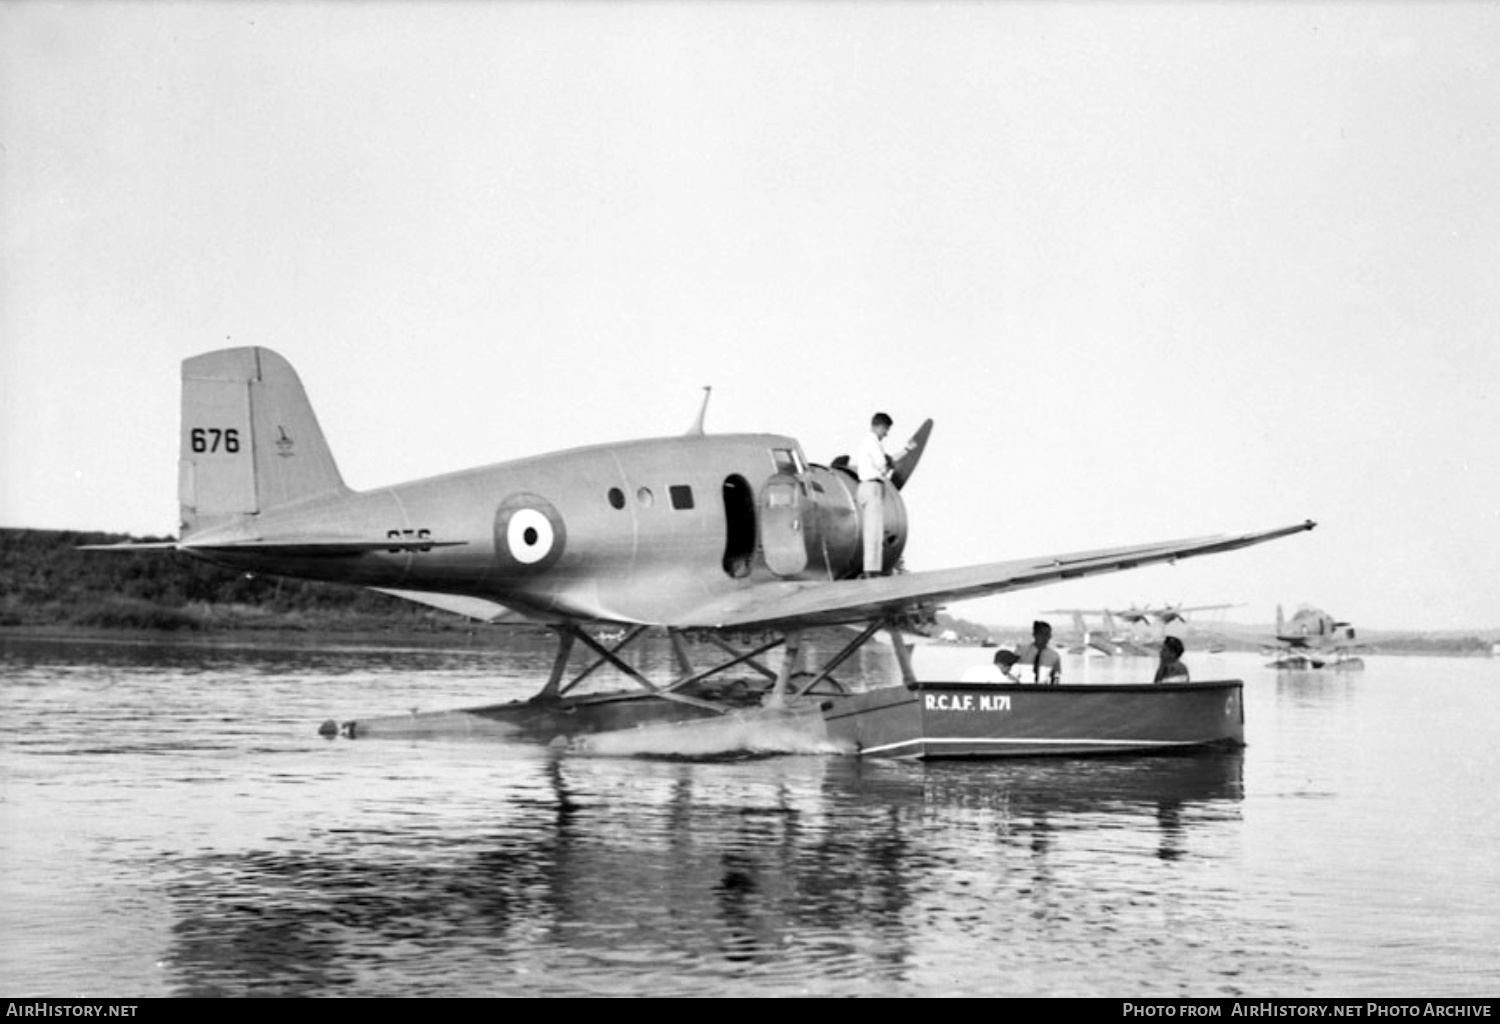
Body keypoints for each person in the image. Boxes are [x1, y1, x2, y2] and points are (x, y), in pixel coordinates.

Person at [855, 412, 895, 577]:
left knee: (869, 530)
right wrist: (888, 464)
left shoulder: (865, 443)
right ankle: (871, 571)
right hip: (873, 487)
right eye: (886, 429)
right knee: (875, 532)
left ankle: (869, 569)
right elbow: (882, 465)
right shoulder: (872, 442)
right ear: (879, 426)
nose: (886, 434)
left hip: (864, 487)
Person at [1014, 620, 1062, 684]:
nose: (1045, 637)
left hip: (1043, 691)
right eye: (1042, 634)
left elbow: (1056, 678)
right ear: (1034, 634)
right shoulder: (1020, 652)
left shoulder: (1054, 656)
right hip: (1023, 690)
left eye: (1048, 634)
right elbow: (1012, 675)